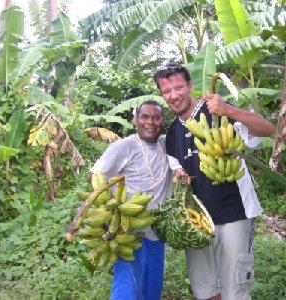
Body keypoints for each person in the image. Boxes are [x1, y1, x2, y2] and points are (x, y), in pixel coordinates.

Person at [153, 63, 275, 300]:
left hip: (234, 213)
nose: (174, 95)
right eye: (167, 91)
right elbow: (176, 169)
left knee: (235, 290)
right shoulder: (172, 133)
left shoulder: (217, 113)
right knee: (205, 289)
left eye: (178, 87)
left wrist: (229, 110)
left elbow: (267, 129)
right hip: (198, 222)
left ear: (190, 86)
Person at [89, 100, 175, 300]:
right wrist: (114, 205)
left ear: (163, 121)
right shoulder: (124, 146)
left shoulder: (166, 143)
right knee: (128, 285)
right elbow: (95, 176)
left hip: (157, 229)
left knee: (152, 286)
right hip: (130, 229)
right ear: (135, 119)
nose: (150, 122)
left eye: (156, 117)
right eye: (144, 117)